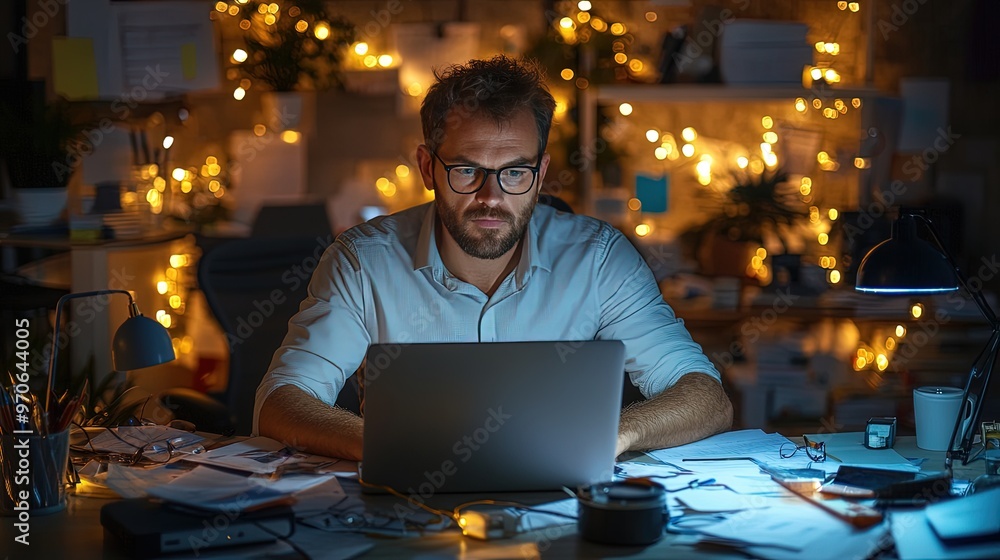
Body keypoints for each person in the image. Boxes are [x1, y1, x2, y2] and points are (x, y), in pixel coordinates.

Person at [254, 55, 733, 461]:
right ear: (428, 167)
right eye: (467, 170)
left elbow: (704, 395)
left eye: (515, 173)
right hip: (410, 501)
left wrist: (608, 436)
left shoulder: (600, 259)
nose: (492, 197)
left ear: (541, 172)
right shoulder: (361, 262)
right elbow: (280, 402)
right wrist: (399, 448)